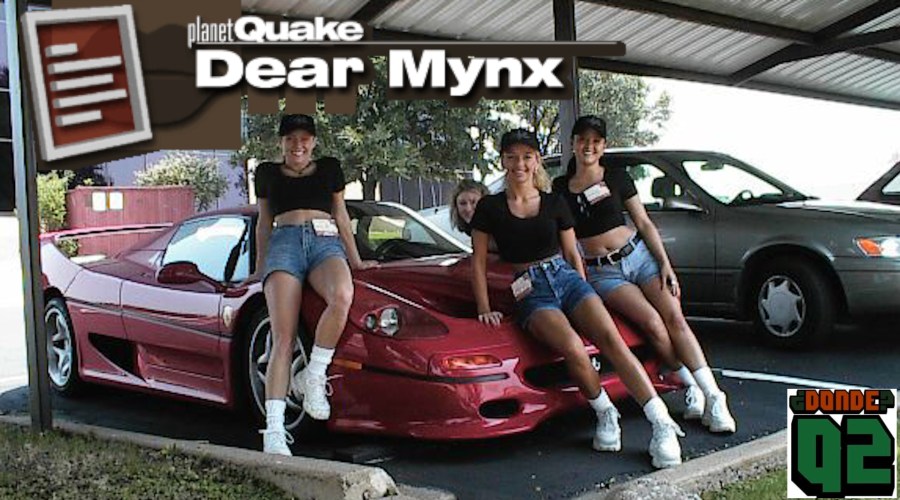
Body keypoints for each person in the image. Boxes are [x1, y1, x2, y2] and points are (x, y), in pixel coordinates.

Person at [470, 128, 685, 469]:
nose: (519, 164)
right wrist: (484, 307)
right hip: (530, 288)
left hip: (567, 279)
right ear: (503, 161)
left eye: (527, 157)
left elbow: (572, 255)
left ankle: (661, 423)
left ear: (537, 161)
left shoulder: (554, 202)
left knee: (611, 340)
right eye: (512, 157)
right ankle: (605, 412)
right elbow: (478, 262)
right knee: (572, 347)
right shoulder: (489, 207)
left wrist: (583, 294)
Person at [554, 115, 736, 433]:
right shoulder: (560, 188)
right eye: (582, 140)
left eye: (596, 141)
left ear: (603, 146)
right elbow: (563, 239)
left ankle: (714, 396)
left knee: (675, 318)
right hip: (603, 272)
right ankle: (689, 383)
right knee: (653, 324)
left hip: (639, 256)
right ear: (573, 143)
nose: (588, 146)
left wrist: (664, 263)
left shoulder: (617, 177)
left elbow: (644, 222)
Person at [253, 114, 376, 455]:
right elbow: (264, 221)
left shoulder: (329, 168)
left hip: (325, 243)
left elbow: (341, 215)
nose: (298, 145)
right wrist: (260, 267)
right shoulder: (266, 172)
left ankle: (314, 374)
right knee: (283, 337)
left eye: (304, 138)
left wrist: (356, 260)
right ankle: (274, 430)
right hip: (284, 243)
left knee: (342, 295)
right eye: (291, 139)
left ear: (314, 142)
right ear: (281, 142)